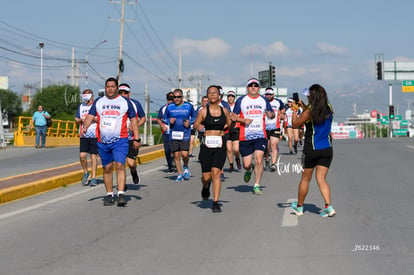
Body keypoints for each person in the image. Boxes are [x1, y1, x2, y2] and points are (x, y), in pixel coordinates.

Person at [82, 77, 140, 207]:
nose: (110, 89)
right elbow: (90, 116)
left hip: (121, 139)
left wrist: (137, 138)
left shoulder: (124, 102)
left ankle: (120, 194)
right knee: (107, 168)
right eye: (108, 86)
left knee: (120, 165)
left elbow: (134, 120)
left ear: (117, 88)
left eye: (113, 86)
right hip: (103, 141)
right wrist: (85, 127)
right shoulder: (99, 102)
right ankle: (109, 195)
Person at [290, 84, 336, 218]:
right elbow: (313, 115)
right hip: (327, 149)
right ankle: (329, 206)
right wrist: (303, 106)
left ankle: (299, 207)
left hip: (312, 149)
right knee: (321, 179)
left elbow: (295, 124)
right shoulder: (328, 108)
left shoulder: (309, 111)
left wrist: (294, 109)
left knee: (305, 179)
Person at [193, 85, 233, 212]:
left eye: (215, 93)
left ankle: (215, 202)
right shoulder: (204, 111)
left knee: (216, 173)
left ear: (219, 95)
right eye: (210, 93)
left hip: (220, 146)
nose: (212, 95)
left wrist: (232, 122)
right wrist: (199, 127)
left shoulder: (224, 111)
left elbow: (230, 125)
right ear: (207, 96)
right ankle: (206, 186)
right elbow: (195, 124)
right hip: (206, 146)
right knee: (206, 176)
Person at [231, 78, 275, 195]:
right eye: (251, 85)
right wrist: (243, 120)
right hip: (245, 136)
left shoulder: (264, 100)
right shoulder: (241, 100)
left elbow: (271, 114)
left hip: (260, 134)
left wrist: (270, 114)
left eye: (256, 85)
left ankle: (256, 185)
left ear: (259, 88)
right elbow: (233, 116)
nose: (253, 87)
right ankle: (249, 169)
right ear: (247, 88)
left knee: (259, 159)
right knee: (246, 164)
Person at [162, 88, 196, 182]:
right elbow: (164, 118)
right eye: (174, 97)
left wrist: (190, 122)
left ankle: (185, 166)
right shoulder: (170, 107)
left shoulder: (188, 106)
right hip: (174, 134)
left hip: (185, 133)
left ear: (182, 97)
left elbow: (195, 116)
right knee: (176, 155)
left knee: (185, 154)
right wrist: (169, 121)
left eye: (178, 97)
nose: (176, 99)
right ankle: (180, 174)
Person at [119, 83, 146, 186]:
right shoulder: (115, 104)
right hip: (119, 138)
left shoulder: (135, 104)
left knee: (130, 163)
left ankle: (134, 172)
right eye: (120, 92)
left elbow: (143, 118)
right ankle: (122, 185)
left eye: (125, 92)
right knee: (120, 164)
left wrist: (136, 126)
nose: (123, 94)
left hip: (132, 138)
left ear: (129, 93)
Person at [75, 89, 98, 186]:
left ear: (92, 96)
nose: (86, 98)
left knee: (93, 156)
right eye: (84, 96)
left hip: (94, 134)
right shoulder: (81, 106)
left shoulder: (96, 106)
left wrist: (91, 119)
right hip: (83, 134)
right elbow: (76, 118)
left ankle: (93, 177)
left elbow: (100, 119)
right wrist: (80, 120)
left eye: (87, 96)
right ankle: (85, 172)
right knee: (82, 156)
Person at [263, 87, 285, 172]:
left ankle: (273, 164)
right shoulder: (262, 102)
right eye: (267, 94)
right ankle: (267, 160)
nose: (268, 96)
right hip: (265, 127)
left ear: (273, 94)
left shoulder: (278, 102)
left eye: (270, 94)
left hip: (275, 127)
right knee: (267, 147)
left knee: (274, 145)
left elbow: (283, 108)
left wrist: (282, 114)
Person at [157, 92, 175, 174]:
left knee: (175, 149)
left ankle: (175, 160)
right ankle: (170, 166)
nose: (170, 101)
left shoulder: (177, 108)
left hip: (176, 131)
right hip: (166, 131)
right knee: (167, 149)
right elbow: (158, 119)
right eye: (169, 99)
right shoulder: (163, 108)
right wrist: (162, 126)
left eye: (172, 99)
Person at [226, 90, 241, 172]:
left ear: (234, 98)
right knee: (228, 149)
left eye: (232, 96)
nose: (230, 98)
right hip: (227, 129)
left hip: (236, 128)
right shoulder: (225, 106)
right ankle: (231, 165)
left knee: (236, 149)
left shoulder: (237, 106)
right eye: (229, 96)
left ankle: (237, 159)